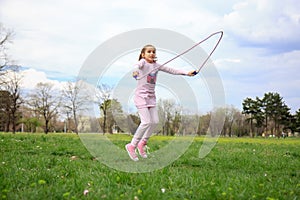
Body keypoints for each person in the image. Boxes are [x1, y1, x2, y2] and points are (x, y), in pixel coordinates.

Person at [125, 44, 196, 161]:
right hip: (141, 97)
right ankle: (132, 145)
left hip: (151, 97)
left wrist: (186, 73)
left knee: (154, 122)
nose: (152, 53)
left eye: (153, 52)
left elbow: (172, 70)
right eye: (149, 51)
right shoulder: (142, 63)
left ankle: (142, 143)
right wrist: (135, 72)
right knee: (146, 122)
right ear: (143, 54)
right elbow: (136, 66)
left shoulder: (157, 66)